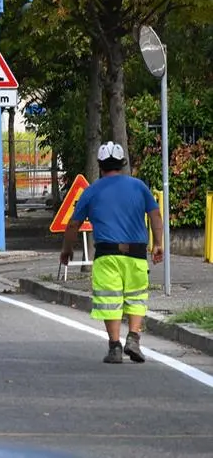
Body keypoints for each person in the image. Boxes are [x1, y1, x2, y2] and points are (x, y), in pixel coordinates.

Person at [60, 141, 163, 364]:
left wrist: (67, 250)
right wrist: (158, 244)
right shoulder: (139, 186)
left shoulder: (92, 191)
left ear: (100, 165)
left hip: (106, 255)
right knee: (136, 297)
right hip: (136, 254)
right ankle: (134, 337)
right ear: (122, 163)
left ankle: (115, 347)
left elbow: (72, 225)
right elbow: (156, 216)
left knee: (110, 301)